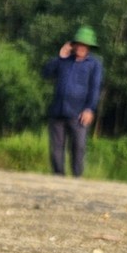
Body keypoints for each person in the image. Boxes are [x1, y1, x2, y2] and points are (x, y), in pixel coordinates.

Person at [42, 26, 104, 178]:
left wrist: (90, 109)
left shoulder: (94, 64)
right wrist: (60, 57)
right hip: (58, 110)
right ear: (73, 44)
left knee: (78, 146)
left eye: (85, 45)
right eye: (79, 44)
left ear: (89, 47)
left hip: (79, 113)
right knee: (56, 147)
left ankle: (77, 178)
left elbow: (95, 88)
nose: (81, 47)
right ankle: (58, 175)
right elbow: (45, 73)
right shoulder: (63, 61)